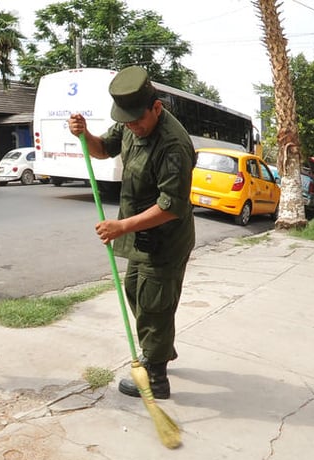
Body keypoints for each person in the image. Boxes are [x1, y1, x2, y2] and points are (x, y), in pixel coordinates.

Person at [68, 66, 196, 400]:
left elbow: (171, 206)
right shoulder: (130, 123)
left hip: (166, 239)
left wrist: (122, 225)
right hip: (141, 237)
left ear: (157, 108)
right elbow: (101, 149)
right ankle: (160, 346)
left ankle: (156, 377)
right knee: (136, 293)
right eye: (126, 122)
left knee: (155, 303)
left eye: (137, 121)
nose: (132, 128)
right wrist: (84, 134)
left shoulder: (173, 146)